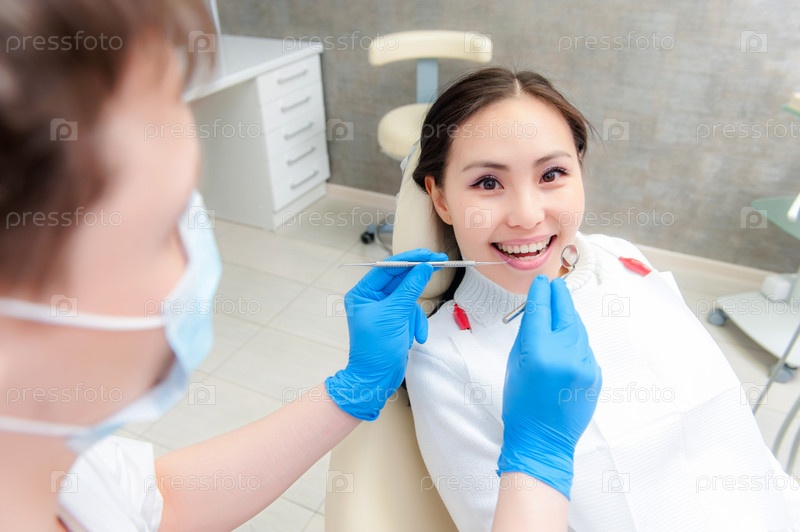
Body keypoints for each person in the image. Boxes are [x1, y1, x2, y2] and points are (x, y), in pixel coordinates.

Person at [0, 2, 601, 529]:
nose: (194, 261)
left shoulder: (51, 474)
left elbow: (158, 505)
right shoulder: (444, 360)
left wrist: (353, 389)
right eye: (161, 227)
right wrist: (539, 458)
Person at [404, 67, 800, 532]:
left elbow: (740, 442)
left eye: (552, 174)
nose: (528, 215)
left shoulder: (622, 259)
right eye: (488, 183)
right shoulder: (443, 359)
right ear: (441, 199)